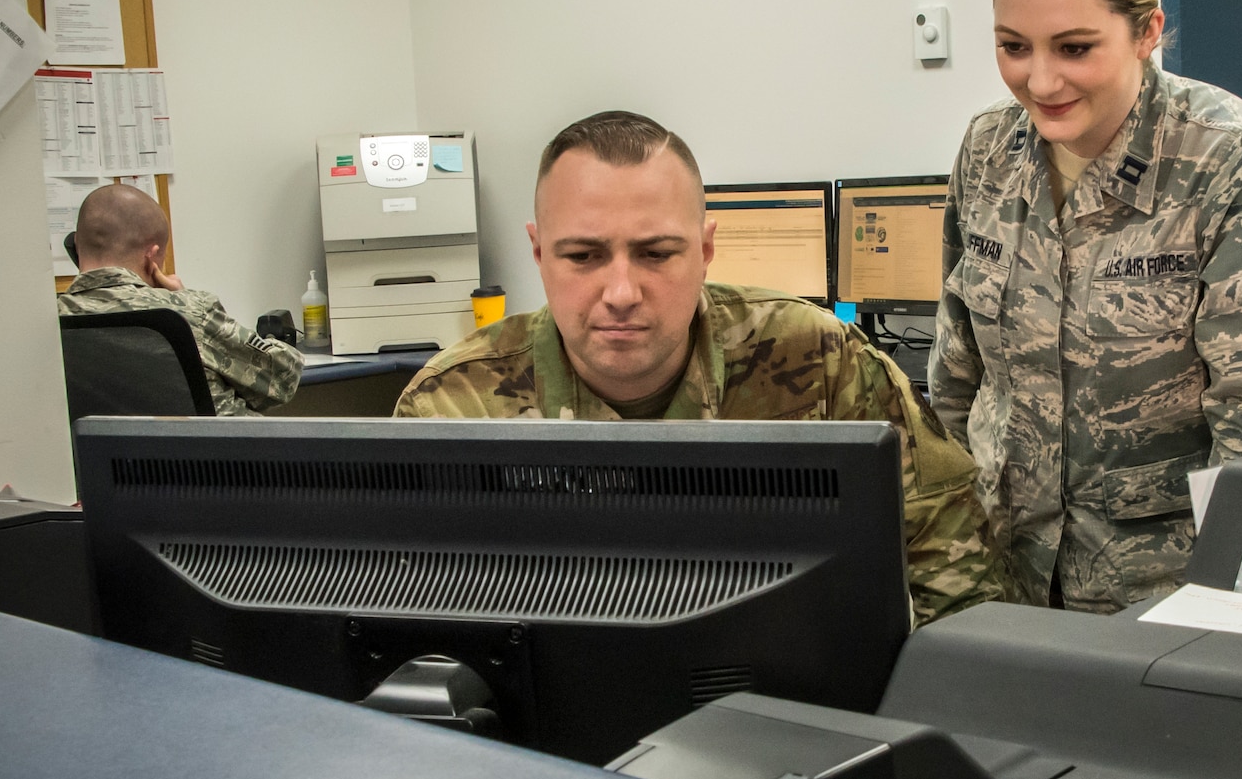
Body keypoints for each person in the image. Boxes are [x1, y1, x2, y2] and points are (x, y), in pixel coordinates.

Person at [395, 110, 1012, 628]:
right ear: (537, 253)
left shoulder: (820, 361)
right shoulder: (454, 403)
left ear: (706, 249)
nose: (621, 292)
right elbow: (409, 616)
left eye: (656, 254)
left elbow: (954, 576)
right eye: (583, 256)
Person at [929, 0, 1242, 615]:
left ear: (1147, 31)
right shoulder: (987, 152)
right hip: (1003, 584)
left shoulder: (1234, 164)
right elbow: (959, 375)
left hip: (1162, 599)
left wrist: (1227, 620)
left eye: (1074, 47)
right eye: (1014, 46)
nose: (1041, 81)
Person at [58, 183, 303, 416]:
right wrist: (180, 298)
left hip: (100, 458)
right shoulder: (187, 311)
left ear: (76, 246)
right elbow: (283, 379)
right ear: (152, 257)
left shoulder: (49, 321)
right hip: (216, 457)